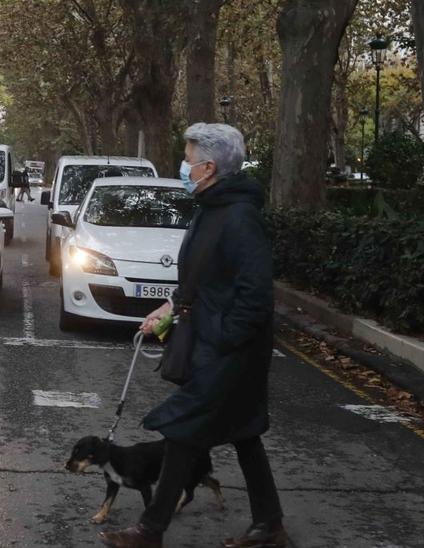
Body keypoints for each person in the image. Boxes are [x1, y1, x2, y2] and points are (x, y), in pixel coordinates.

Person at [100, 123, 285, 548]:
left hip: (231, 351)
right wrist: (170, 308)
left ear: (209, 166)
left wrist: (221, 337)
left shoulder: (239, 217)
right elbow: (201, 278)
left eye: (188, 159)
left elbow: (256, 297)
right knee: (244, 433)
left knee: (183, 429)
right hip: (216, 344)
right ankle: (270, 525)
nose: (183, 167)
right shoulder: (210, 208)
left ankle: (150, 531)